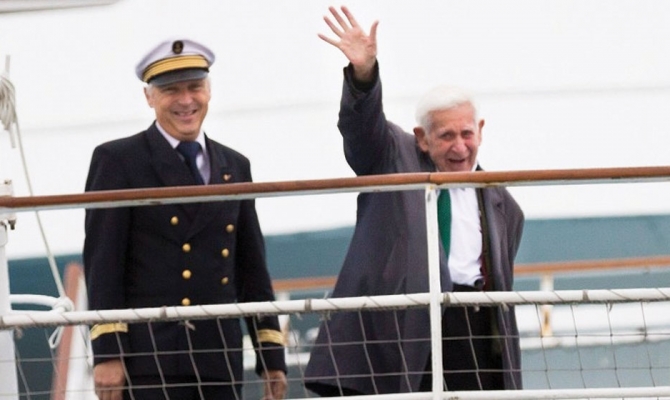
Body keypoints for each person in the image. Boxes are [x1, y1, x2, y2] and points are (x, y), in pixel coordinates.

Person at [304, 6, 524, 395]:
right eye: (446, 136)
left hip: (473, 333)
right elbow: (361, 127)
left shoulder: (505, 206)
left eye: (466, 134)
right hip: (403, 330)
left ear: (480, 131)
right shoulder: (394, 156)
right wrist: (363, 74)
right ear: (422, 138)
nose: (460, 147)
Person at [83, 38, 287, 400]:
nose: (186, 100)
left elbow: (251, 270)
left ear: (209, 90)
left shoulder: (235, 165)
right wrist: (108, 353)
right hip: (149, 358)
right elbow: (104, 265)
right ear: (149, 97)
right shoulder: (119, 161)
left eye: (195, 87)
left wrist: (271, 356)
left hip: (218, 356)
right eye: (171, 90)